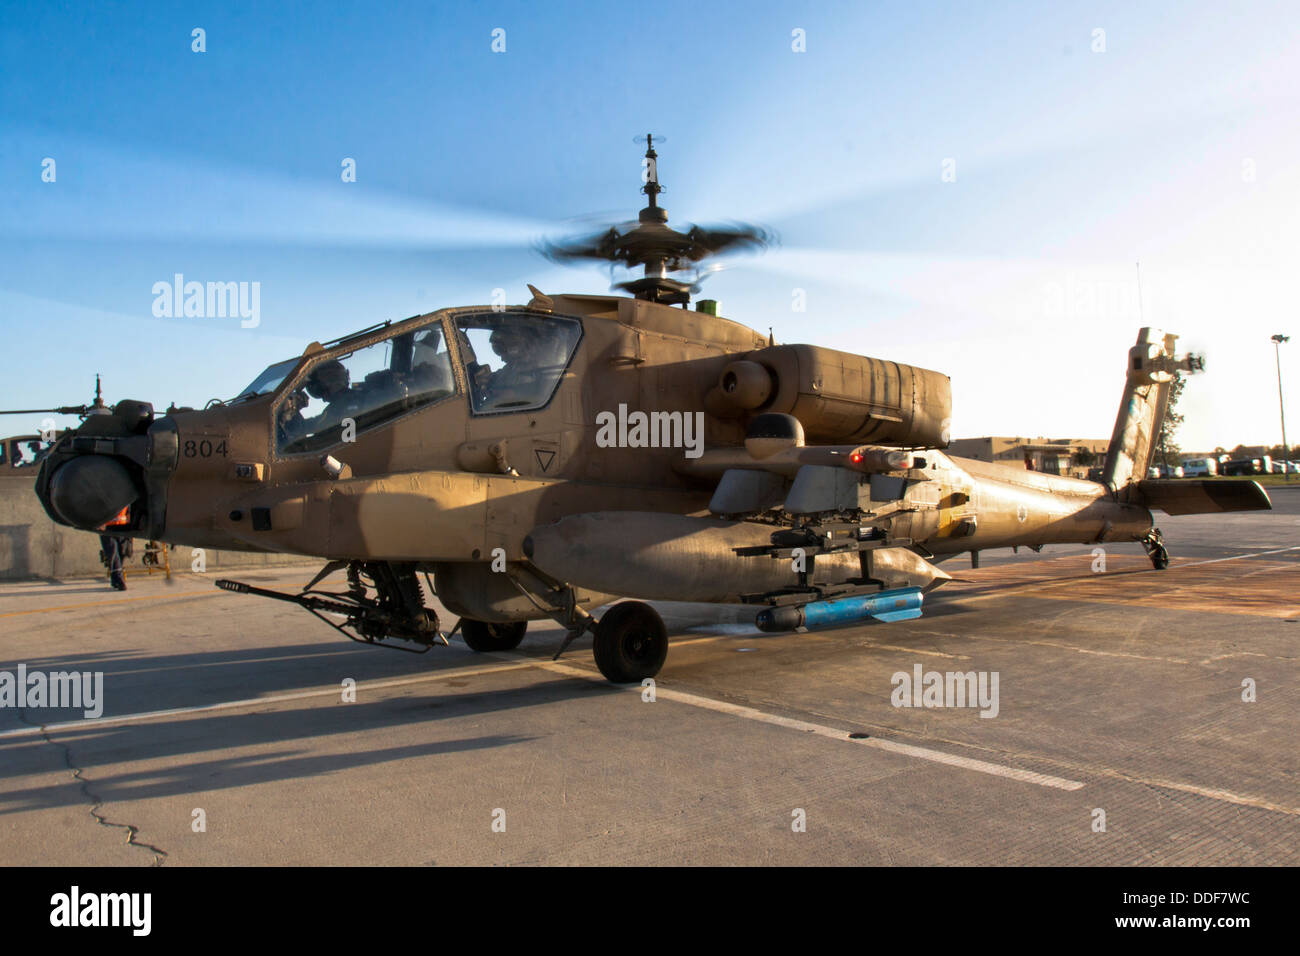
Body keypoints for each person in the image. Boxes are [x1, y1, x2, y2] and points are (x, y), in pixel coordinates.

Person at [98, 506, 132, 591]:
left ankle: (115, 580)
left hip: (122, 528)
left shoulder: (127, 496)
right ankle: (120, 581)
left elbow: (129, 511)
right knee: (113, 554)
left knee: (122, 553)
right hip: (107, 529)